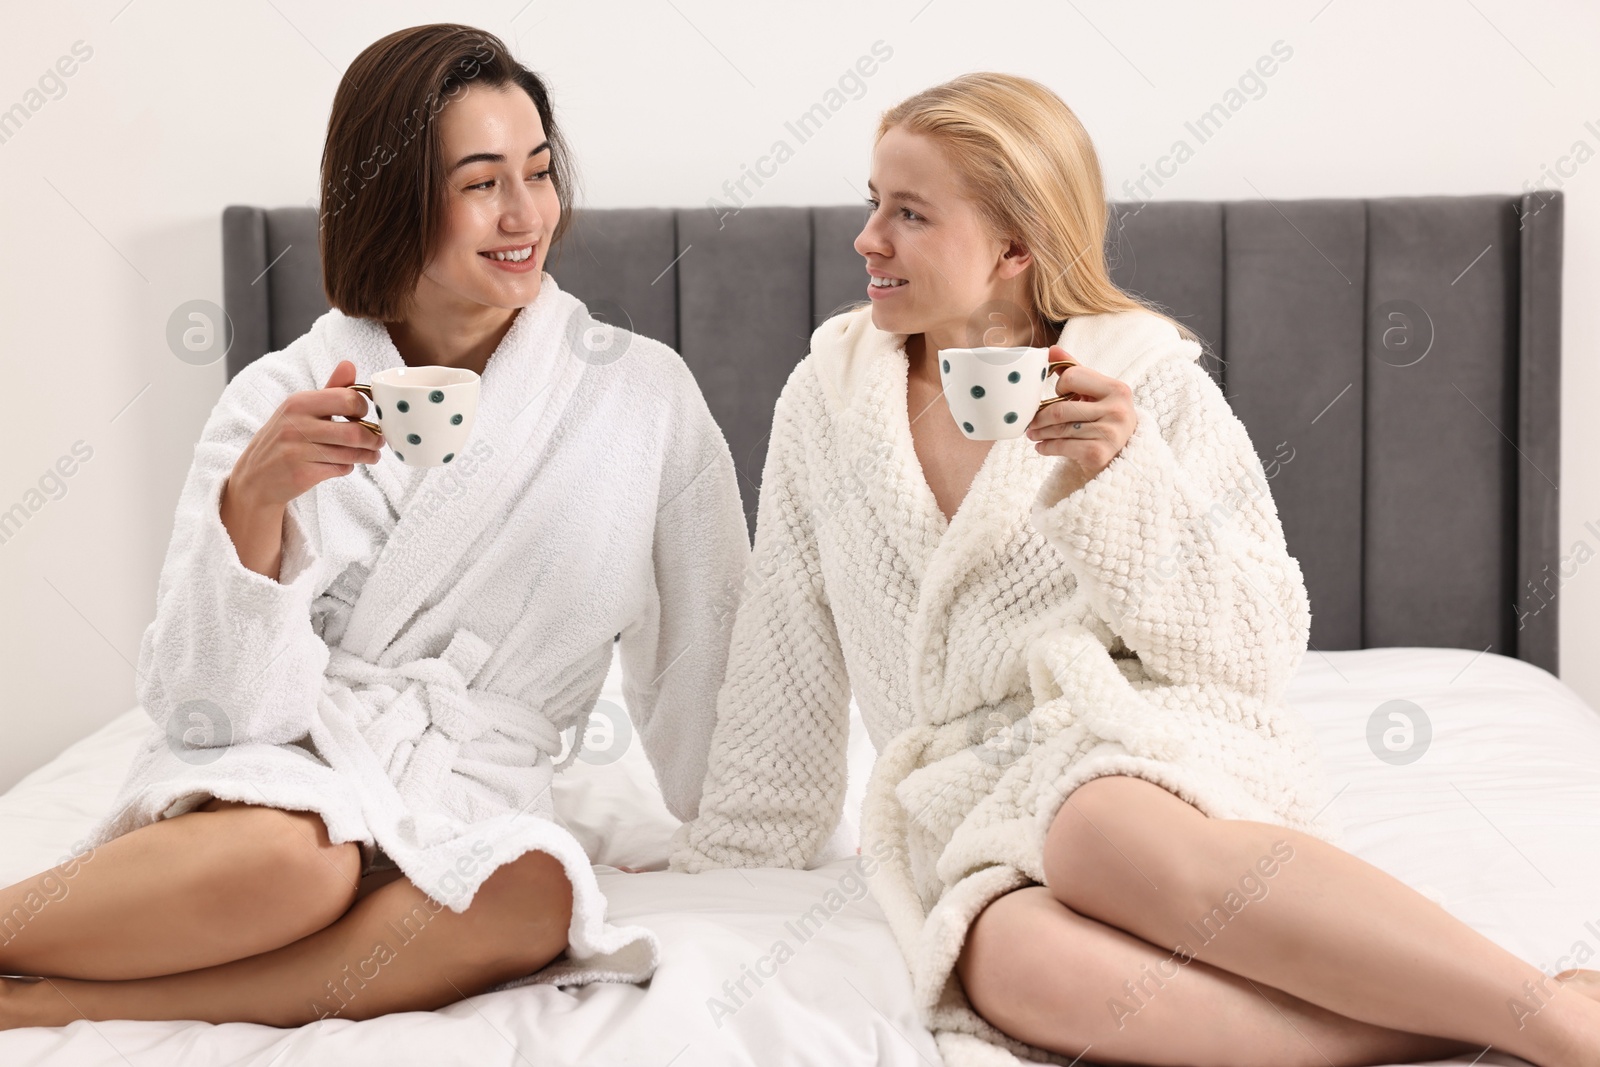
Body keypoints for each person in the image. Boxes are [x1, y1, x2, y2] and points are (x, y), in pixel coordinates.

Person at [669, 72, 1600, 1067]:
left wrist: (1121, 474)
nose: (867, 239)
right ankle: (1526, 1015)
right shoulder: (827, 399)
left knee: (1094, 827)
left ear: (1015, 247)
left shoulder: (1146, 386)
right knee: (1003, 962)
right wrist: (737, 844)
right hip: (967, 801)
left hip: (1151, 742)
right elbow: (785, 644)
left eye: (907, 213)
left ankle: (1540, 1015)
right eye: (872, 204)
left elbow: (1254, 647)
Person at [0, 23, 748, 1028]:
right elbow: (205, 709)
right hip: (293, 763)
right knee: (294, 862)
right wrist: (254, 505)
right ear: (395, 195)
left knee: (536, 892)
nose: (525, 212)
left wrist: (746, 816)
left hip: (473, 787)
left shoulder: (640, 395)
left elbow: (713, 642)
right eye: (482, 182)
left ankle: (42, 1004)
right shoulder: (282, 398)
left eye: (538, 171)